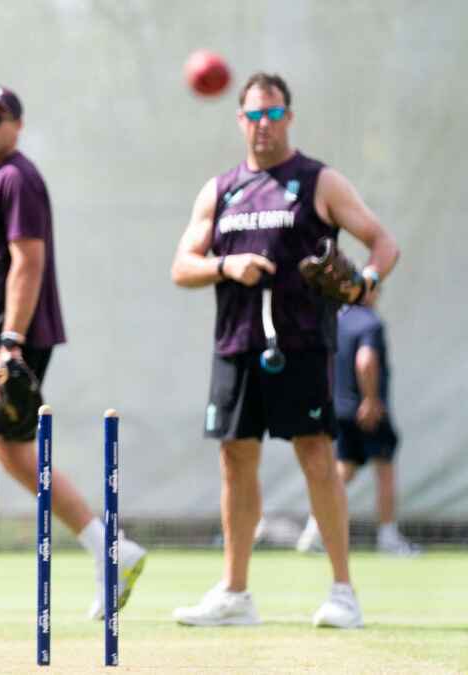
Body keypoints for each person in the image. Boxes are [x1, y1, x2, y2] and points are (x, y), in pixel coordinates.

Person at [0, 86, 146, 623]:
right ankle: (112, 550)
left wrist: (8, 342)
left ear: (18, 124)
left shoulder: (17, 178)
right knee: (11, 454)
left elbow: (28, 263)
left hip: (12, 339)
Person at [169, 72, 400, 629]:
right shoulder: (220, 189)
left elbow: (383, 242)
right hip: (237, 344)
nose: (263, 125)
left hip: (300, 343)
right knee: (235, 459)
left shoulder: (317, 181)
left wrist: (366, 282)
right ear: (241, 121)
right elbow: (182, 266)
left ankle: (343, 592)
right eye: (253, 115)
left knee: (317, 456)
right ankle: (235, 593)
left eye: (273, 115)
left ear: (288, 118)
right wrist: (228, 265)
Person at [297, 289, 420, 556]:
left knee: (343, 470)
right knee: (384, 468)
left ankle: (314, 529)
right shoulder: (370, 322)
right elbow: (366, 362)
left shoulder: (335, 321)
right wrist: (370, 399)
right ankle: (388, 537)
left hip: (339, 410)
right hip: (368, 409)